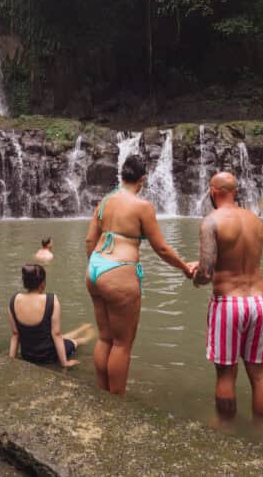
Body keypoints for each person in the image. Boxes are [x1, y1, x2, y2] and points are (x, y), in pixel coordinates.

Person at [85, 154, 198, 395]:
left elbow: (89, 240)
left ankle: (101, 394)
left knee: (104, 338)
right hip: (119, 271)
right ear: (142, 180)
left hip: (94, 269)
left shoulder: (104, 202)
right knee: (122, 343)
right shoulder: (142, 206)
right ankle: (116, 404)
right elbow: (161, 248)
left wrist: (97, 271)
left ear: (121, 175)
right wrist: (185, 267)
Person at [193, 172, 263, 419]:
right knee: (260, 375)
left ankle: (227, 436)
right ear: (235, 191)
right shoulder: (256, 221)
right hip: (259, 302)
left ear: (212, 191)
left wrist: (194, 274)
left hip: (228, 304)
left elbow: (206, 274)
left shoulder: (211, 221)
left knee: (226, 374)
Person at [8, 264, 93, 368]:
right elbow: (56, 334)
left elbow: (15, 334)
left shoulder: (14, 300)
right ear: (43, 283)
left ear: (25, 282)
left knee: (61, 338)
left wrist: (10, 360)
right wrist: (64, 363)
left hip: (27, 355)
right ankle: (90, 334)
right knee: (77, 341)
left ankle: (82, 328)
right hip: (49, 356)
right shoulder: (51, 300)